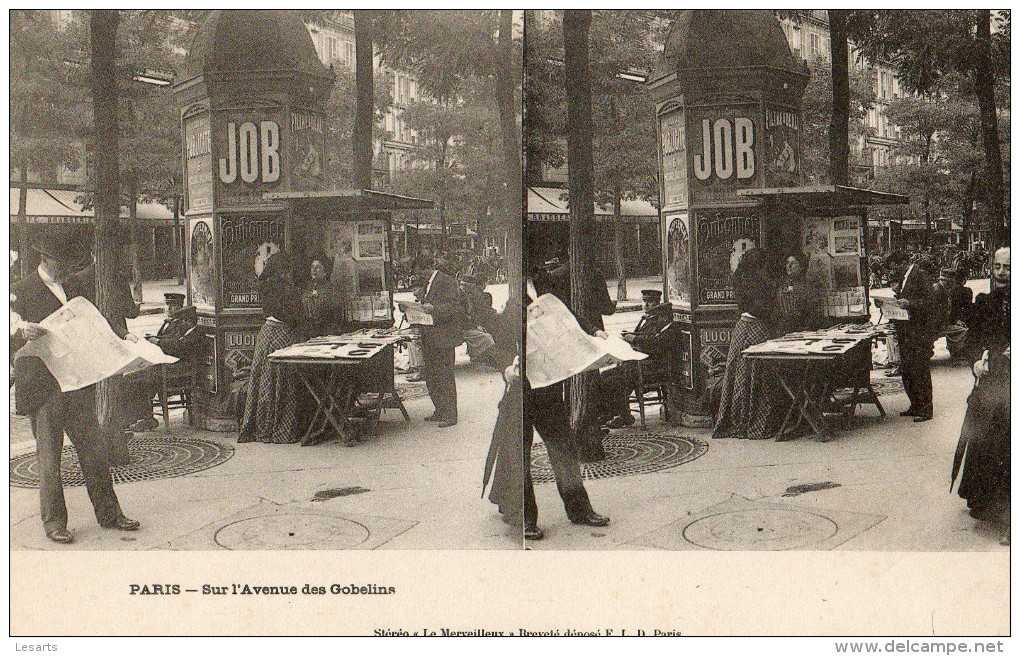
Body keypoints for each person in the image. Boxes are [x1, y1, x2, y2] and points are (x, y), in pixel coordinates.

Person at [10, 232, 140, 544]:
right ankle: (55, 523)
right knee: (50, 457)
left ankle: (110, 514)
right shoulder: (20, 290)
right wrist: (19, 330)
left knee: (94, 451)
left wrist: (123, 335)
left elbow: (93, 321)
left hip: (77, 382)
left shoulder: (75, 285)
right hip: (44, 387)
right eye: (62, 263)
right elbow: (8, 325)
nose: (68, 269)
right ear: (46, 260)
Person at [952, 247, 1010, 544]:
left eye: (1008, 268)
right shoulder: (985, 302)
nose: (1002, 273)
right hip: (992, 381)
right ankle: (986, 501)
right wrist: (976, 360)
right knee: (985, 438)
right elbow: (974, 339)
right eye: (998, 267)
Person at [238, 253, 312, 444]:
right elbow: (296, 317)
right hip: (282, 335)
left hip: (266, 334)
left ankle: (261, 424)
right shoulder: (287, 290)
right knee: (282, 381)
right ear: (283, 271)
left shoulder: (265, 286)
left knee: (262, 380)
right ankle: (280, 427)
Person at [713, 248, 785, 440]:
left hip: (741, 328)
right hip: (758, 329)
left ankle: (736, 419)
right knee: (759, 375)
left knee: (738, 375)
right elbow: (767, 310)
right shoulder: (764, 283)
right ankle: (756, 422)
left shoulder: (739, 278)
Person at [601, 289, 674, 429]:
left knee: (617, 379)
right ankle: (609, 412)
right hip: (641, 363)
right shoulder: (647, 318)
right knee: (605, 376)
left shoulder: (661, 320)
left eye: (650, 302)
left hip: (652, 366)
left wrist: (634, 338)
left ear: (657, 303)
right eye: (645, 301)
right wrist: (629, 336)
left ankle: (624, 416)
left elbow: (657, 342)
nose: (646, 305)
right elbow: (644, 336)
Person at [415, 256, 467, 428]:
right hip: (430, 336)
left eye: (420, 272)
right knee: (431, 376)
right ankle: (439, 409)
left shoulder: (447, 281)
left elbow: (454, 308)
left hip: (444, 337)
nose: (419, 276)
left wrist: (434, 308)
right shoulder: (427, 284)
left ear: (429, 267)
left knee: (445, 376)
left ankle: (451, 414)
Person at [891, 256, 942, 422]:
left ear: (902, 263)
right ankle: (915, 405)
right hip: (907, 333)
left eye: (893, 268)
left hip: (919, 333)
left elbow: (930, 302)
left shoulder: (920, 275)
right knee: (908, 370)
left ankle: (926, 409)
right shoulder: (906, 277)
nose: (893, 272)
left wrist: (909, 303)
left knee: (920, 371)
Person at [776, 253, 822, 334]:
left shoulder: (808, 285)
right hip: (783, 328)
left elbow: (812, 312)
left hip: (802, 328)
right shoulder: (782, 284)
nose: (789, 266)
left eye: (793, 263)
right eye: (787, 263)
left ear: (801, 266)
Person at [302, 253, 345, 337]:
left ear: (325, 272)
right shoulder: (306, 289)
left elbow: (336, 318)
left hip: (326, 334)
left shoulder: (333, 290)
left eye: (318, 267)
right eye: (312, 267)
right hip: (308, 334)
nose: (313, 270)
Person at [942, 268, 973, 361]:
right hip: (963, 319)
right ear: (964, 280)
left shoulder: (949, 291)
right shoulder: (967, 291)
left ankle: (953, 349)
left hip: (952, 319)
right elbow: (968, 308)